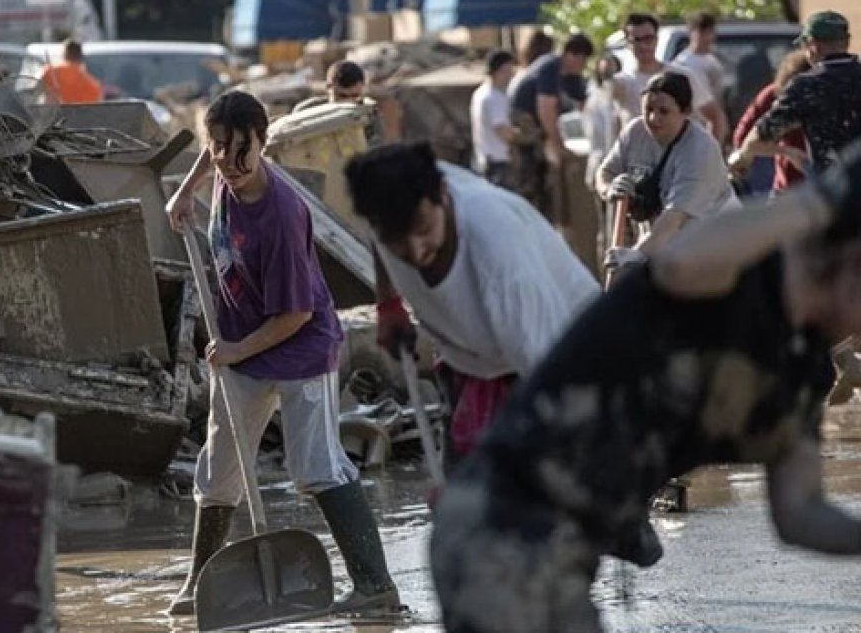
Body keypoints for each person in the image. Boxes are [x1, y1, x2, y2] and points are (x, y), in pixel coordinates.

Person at [430, 138, 861, 632]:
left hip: (565, 555)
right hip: (498, 522)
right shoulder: (736, 275)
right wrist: (826, 198)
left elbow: (800, 513)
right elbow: (676, 263)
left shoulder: (801, 372)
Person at [163, 90, 399, 616]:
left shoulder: (282, 216)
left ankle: (375, 585)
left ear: (263, 144)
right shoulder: (226, 165)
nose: (228, 160)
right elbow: (213, 148)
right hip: (242, 346)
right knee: (219, 468)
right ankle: (200, 581)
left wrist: (236, 348)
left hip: (300, 352)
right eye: (219, 148)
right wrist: (187, 189)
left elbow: (293, 317)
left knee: (318, 467)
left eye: (240, 150)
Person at [345, 143, 599, 464]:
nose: (414, 251)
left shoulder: (498, 255)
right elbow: (377, 234)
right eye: (395, 240)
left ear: (443, 196)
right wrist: (388, 305)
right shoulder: (385, 201)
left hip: (560, 358)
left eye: (423, 230)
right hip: (470, 359)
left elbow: (552, 381)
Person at [598, 72, 741, 266]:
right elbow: (605, 172)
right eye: (648, 109)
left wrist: (636, 255)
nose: (653, 118)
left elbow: (674, 220)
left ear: (686, 111)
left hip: (713, 254)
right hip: (662, 247)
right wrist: (610, 189)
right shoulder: (635, 132)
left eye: (664, 111)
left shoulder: (700, 151)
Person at [731, 11, 861, 176]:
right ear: (847, 41)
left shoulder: (807, 85)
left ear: (813, 46)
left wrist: (743, 157)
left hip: (835, 192)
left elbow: (765, 132)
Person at [507, 33, 594, 220]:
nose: (583, 66)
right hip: (526, 124)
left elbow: (585, 104)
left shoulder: (570, 76)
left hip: (540, 127)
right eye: (582, 60)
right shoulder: (551, 66)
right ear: (571, 55)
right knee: (535, 177)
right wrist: (558, 143)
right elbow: (546, 109)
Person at [613, 13, 727, 143]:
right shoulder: (620, 83)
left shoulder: (681, 76)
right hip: (638, 159)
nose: (644, 45)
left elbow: (715, 117)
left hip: (679, 158)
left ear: (656, 39)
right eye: (637, 40)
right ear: (628, 42)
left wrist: (708, 155)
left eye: (648, 38)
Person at [732, 50, 812, 194]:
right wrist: (786, 152)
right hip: (787, 188)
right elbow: (742, 139)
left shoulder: (831, 93)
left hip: (830, 189)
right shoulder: (773, 96)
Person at [673, 12, 726, 139]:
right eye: (702, 32)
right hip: (691, 125)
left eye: (709, 32)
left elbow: (719, 98)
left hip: (713, 123)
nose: (707, 37)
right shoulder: (682, 64)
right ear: (692, 33)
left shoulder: (714, 62)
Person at [470, 50, 518, 187]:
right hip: (498, 163)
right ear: (496, 72)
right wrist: (526, 136)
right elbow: (504, 132)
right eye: (507, 71)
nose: (510, 76)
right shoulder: (493, 98)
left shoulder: (480, 93)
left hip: (483, 160)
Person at [584, 54, 623, 192]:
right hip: (600, 164)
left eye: (612, 74)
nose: (608, 79)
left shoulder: (625, 99)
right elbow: (594, 137)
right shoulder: (594, 100)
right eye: (605, 74)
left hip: (622, 167)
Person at [40, 39, 104, 104]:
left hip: (54, 113)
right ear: (80, 56)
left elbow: (34, 94)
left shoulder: (50, 72)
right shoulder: (93, 85)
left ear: (65, 54)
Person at [293, 60, 368, 112]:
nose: (349, 102)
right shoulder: (306, 110)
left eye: (355, 96)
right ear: (329, 87)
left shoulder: (368, 112)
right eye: (343, 96)